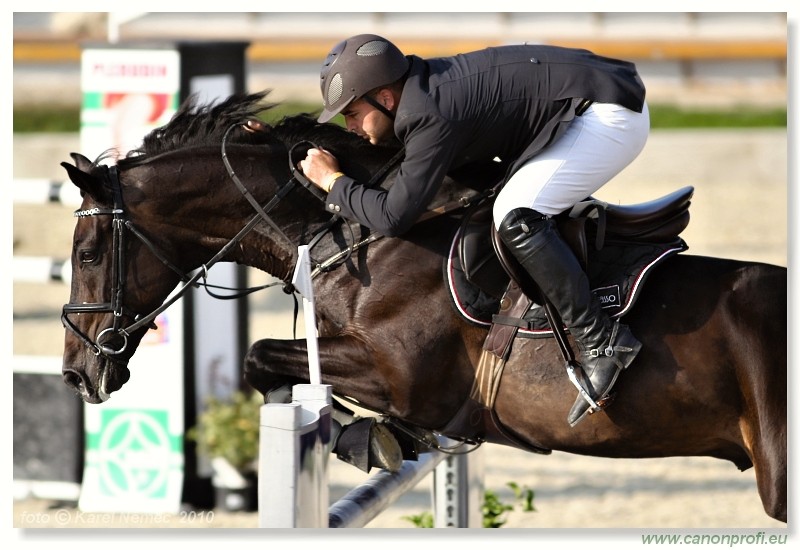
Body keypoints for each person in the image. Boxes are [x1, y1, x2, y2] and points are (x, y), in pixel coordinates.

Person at [300, 34, 649, 427]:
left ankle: (602, 340)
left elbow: (392, 218)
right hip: (587, 99)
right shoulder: (420, 91)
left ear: (385, 99)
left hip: (609, 116)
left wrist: (333, 182)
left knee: (514, 212)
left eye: (351, 114)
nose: (351, 127)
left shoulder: (429, 113)